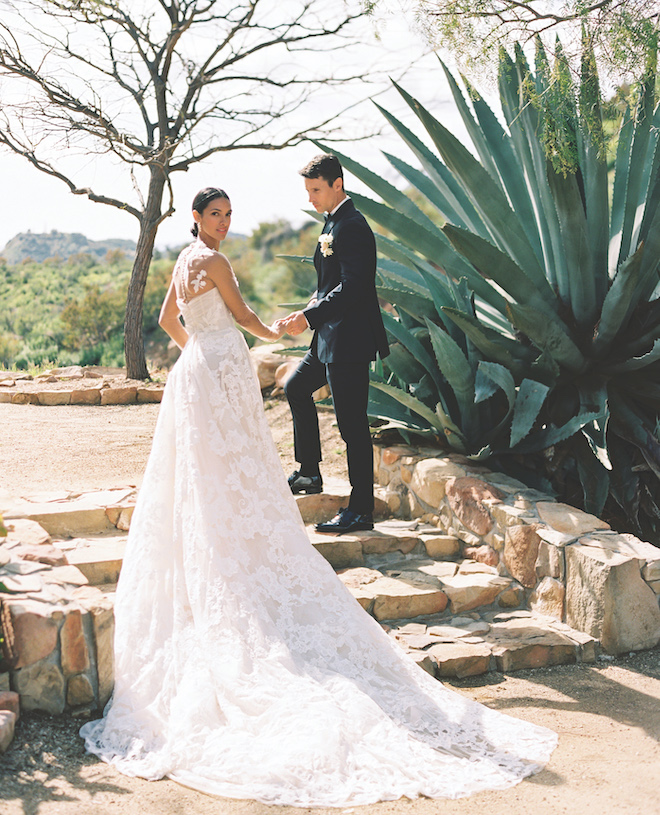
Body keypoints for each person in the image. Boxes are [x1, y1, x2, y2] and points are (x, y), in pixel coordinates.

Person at [80, 186, 557, 808]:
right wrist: (265, 334)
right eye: (216, 215)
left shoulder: (180, 260)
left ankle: (227, 550)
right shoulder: (216, 263)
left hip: (194, 373)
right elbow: (246, 317)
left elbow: (172, 321)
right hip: (222, 368)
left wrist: (199, 351)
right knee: (238, 468)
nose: (224, 223)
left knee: (208, 474)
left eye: (229, 214)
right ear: (196, 218)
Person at [280, 154, 389, 534]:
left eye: (316, 189)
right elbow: (331, 282)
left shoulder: (352, 226)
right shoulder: (333, 223)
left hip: (350, 340)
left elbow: (355, 285)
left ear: (336, 185)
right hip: (328, 335)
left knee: (352, 426)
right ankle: (309, 472)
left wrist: (310, 317)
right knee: (296, 388)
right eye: (308, 190)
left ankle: (361, 510)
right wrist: (310, 307)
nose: (311, 197)